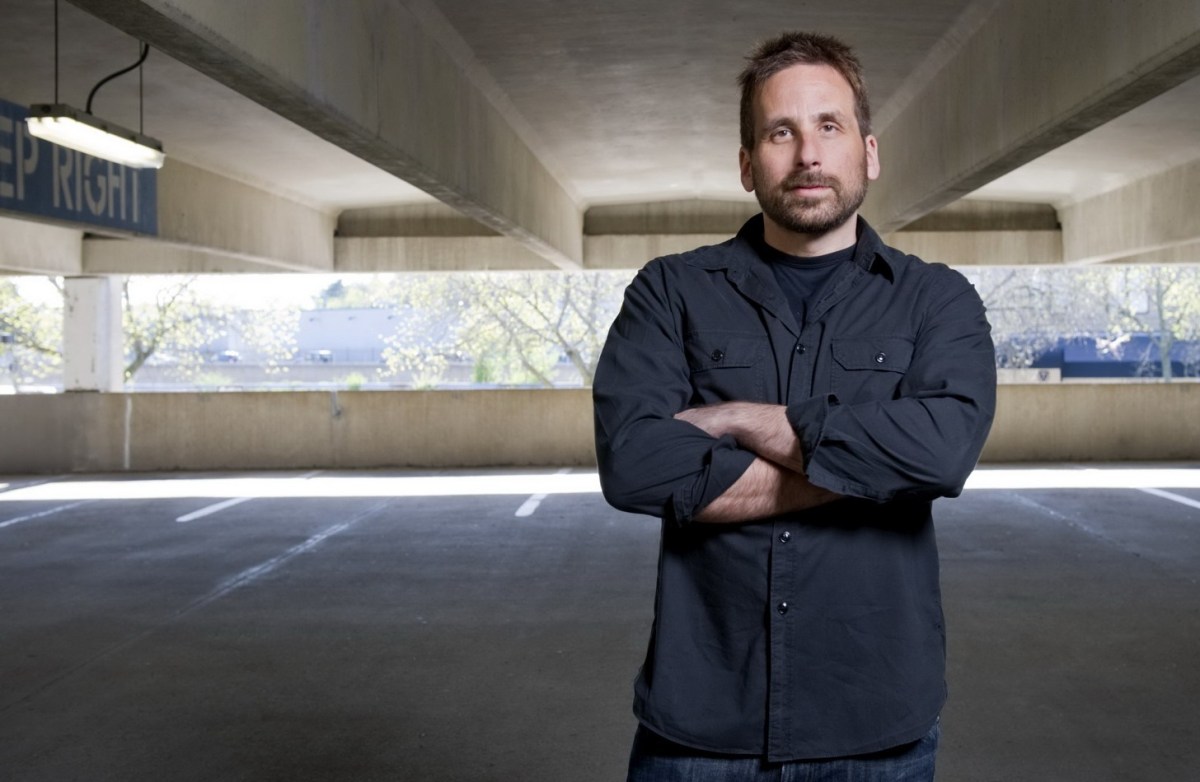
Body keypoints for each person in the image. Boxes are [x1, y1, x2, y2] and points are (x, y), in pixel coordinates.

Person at [592, 30, 997, 780]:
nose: (809, 154)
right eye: (781, 132)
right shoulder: (671, 292)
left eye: (829, 126)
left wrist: (740, 421)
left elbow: (941, 453)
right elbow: (636, 465)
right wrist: (871, 469)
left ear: (868, 153)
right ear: (749, 164)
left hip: (875, 728)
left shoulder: (936, 299)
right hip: (701, 732)